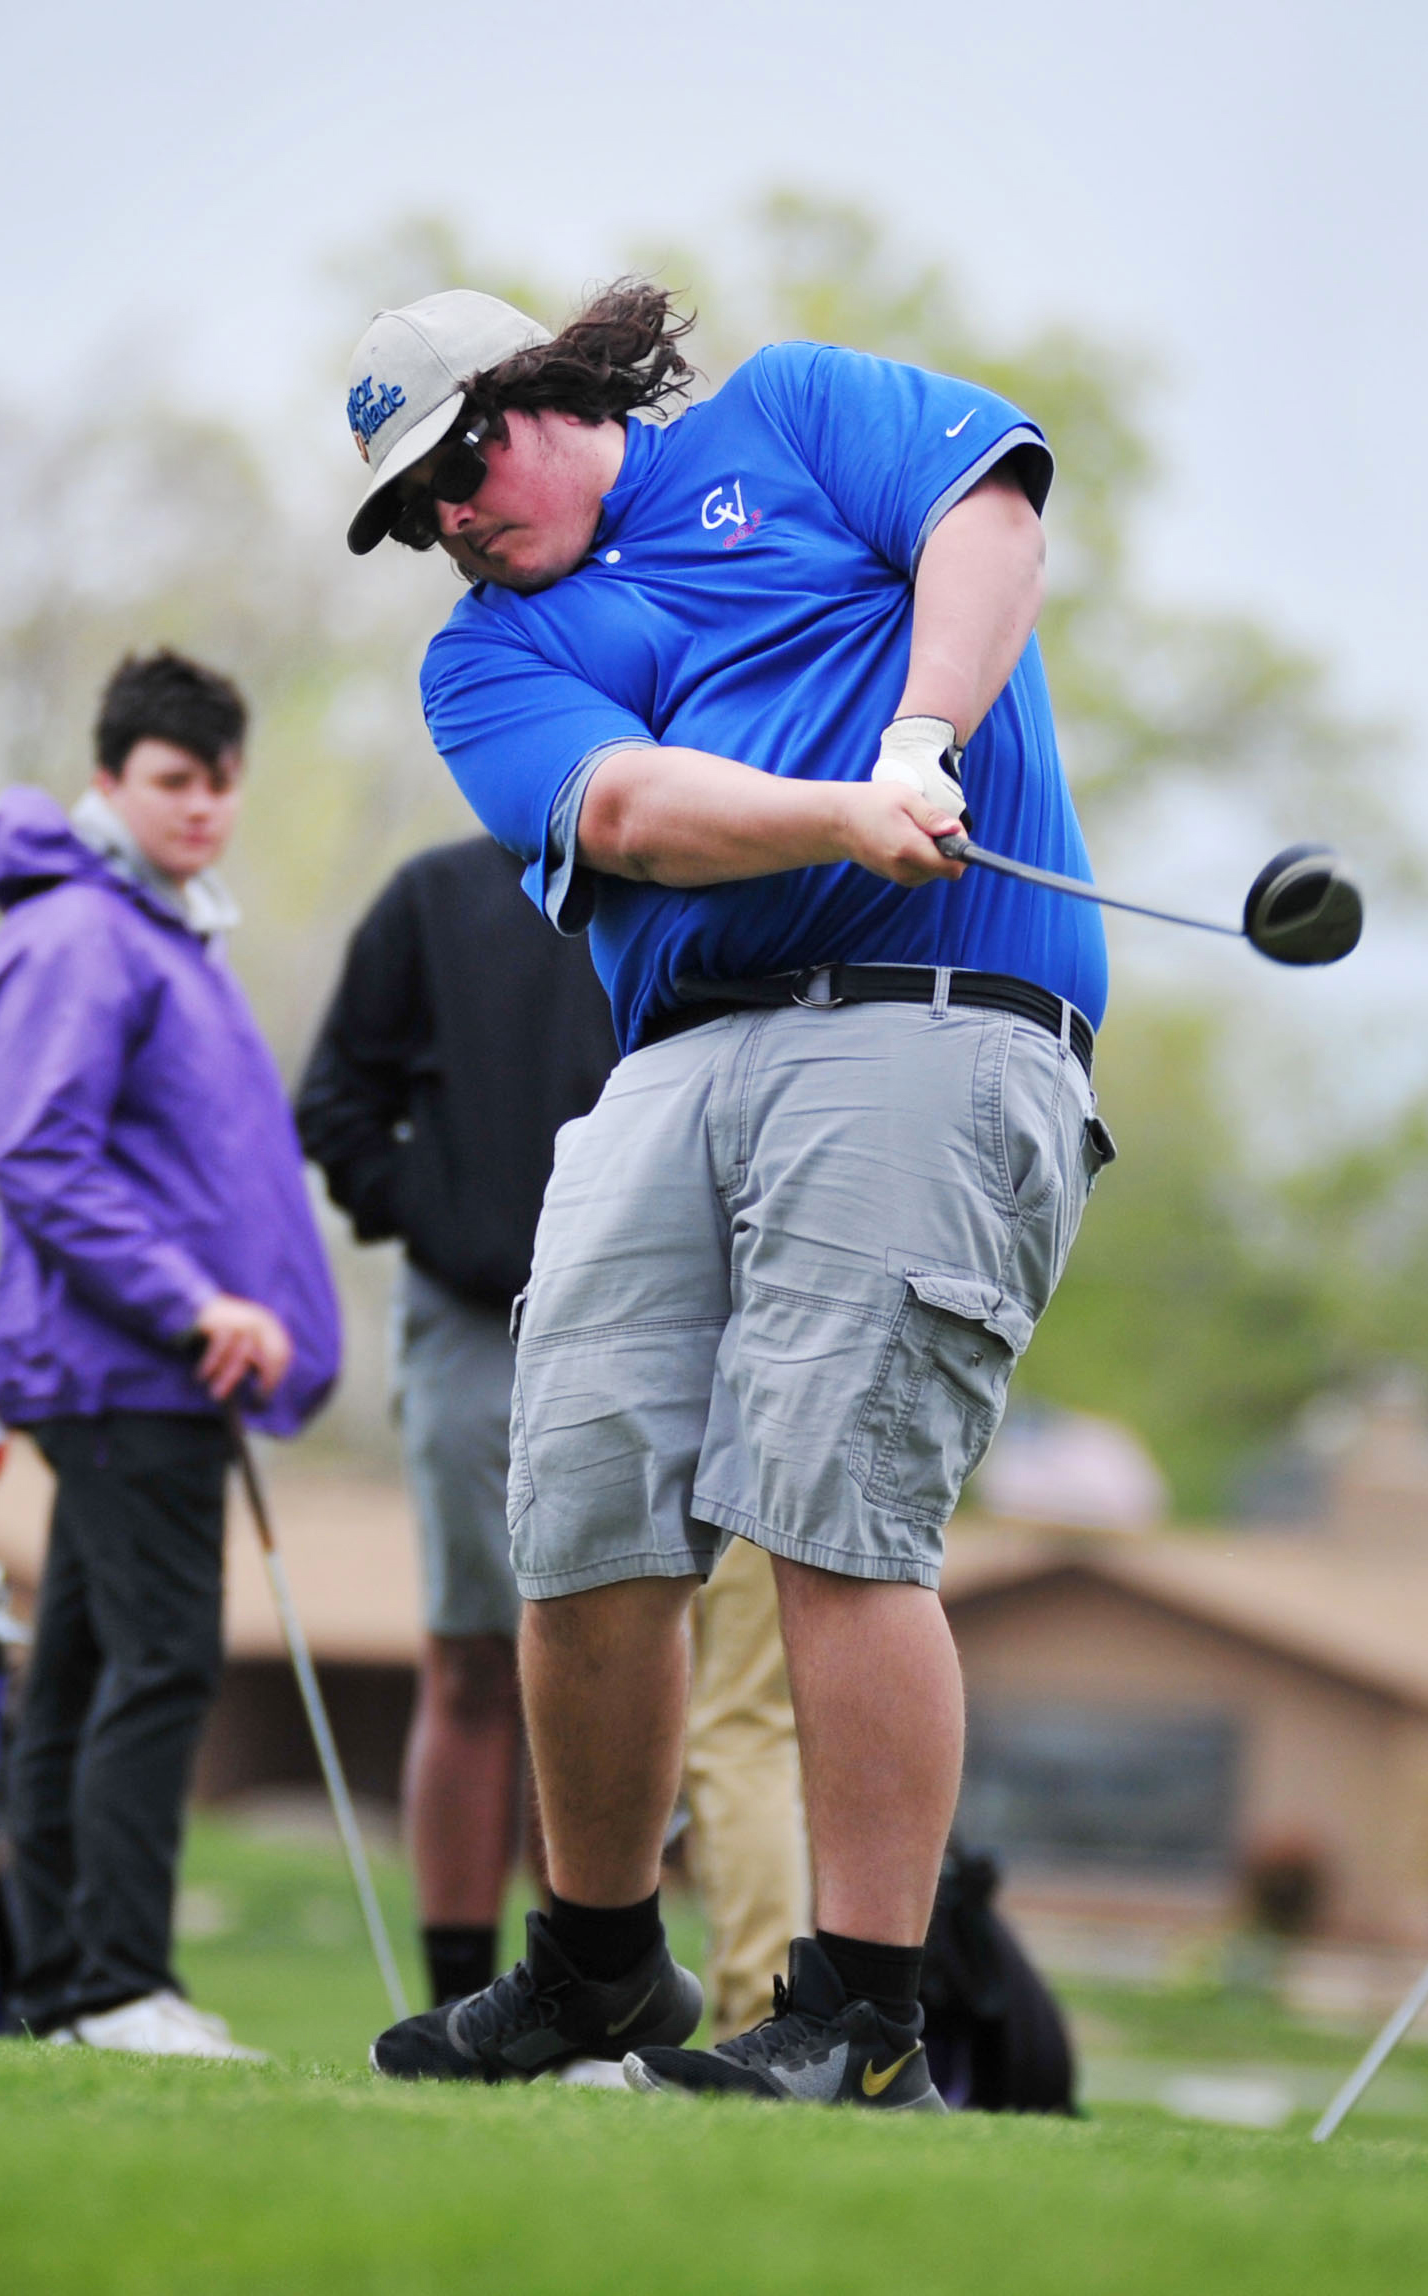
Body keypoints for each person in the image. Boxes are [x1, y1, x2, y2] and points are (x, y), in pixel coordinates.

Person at [338, 283, 1108, 2107]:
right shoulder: (482, 656)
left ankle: (857, 2013)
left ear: (541, 389)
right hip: (680, 1052)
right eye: (411, 510)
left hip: (937, 1016)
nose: (451, 515)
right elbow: (622, 813)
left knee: (832, 1506)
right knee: (582, 1502)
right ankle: (598, 1967)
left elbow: (989, 520)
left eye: (460, 458)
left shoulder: (798, 414)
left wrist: (917, 739)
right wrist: (834, 810)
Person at [295, 835, 815, 2029]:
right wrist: (452, 1220)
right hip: (473, 1320)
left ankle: (579, 1991)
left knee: (601, 1641)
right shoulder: (430, 894)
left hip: (657, 1310)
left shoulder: (695, 882)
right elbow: (335, 1106)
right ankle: (458, 1997)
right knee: (473, 1659)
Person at [0, 647, 341, 2059]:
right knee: (165, 1663)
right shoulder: (83, 936)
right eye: (173, 782)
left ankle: (62, 1989)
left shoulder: (166, 936)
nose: (202, 807)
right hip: (129, 1365)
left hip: (154, 1372)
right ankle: (115, 1986)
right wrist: (196, 1305)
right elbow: (42, 1160)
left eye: (222, 782)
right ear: (109, 781)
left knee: (76, 1673)